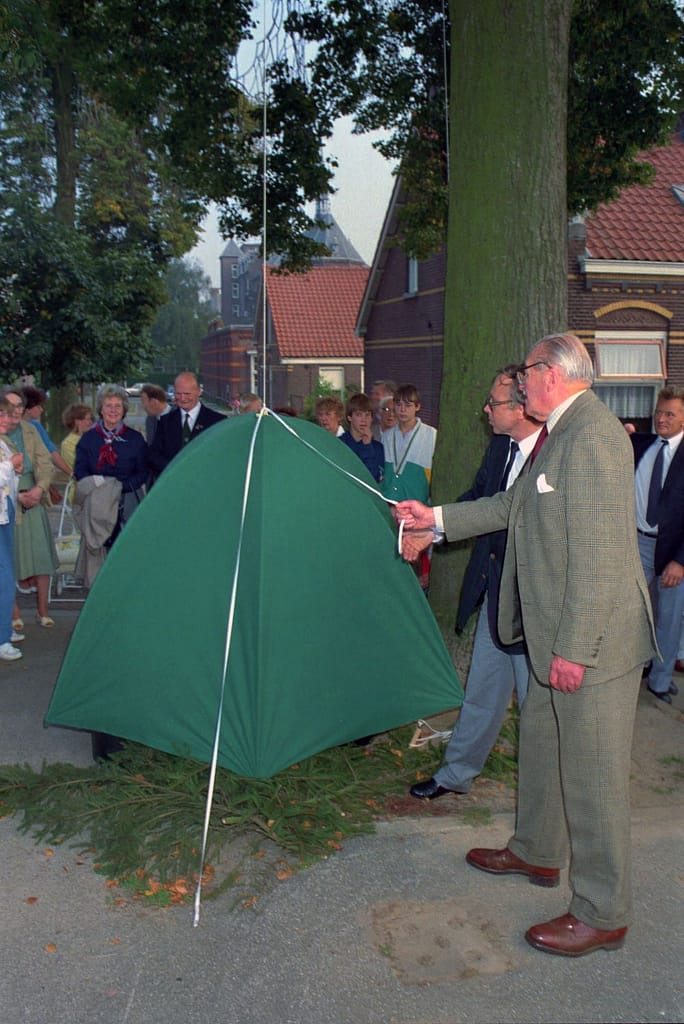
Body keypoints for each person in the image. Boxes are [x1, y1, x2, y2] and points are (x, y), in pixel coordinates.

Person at [396, 333, 656, 958]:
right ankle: (538, 851)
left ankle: (602, 912)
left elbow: (597, 559)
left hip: (587, 642)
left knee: (593, 778)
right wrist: (437, 521)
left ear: (551, 374)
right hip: (545, 632)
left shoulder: (591, 437)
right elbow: (514, 504)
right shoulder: (558, 433)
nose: (518, 386)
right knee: (542, 748)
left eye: (528, 372)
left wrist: (574, 650)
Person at [410, 367, 541, 801]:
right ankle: (455, 775)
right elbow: (477, 501)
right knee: (482, 691)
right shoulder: (500, 447)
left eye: (494, 403)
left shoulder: (554, 453)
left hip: (533, 609)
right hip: (495, 594)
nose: (485, 409)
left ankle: (545, 812)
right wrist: (432, 530)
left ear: (522, 406)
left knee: (538, 711)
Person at [630, 385, 684, 704]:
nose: (661, 419)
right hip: (635, 543)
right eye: (659, 412)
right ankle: (637, 666)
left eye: (670, 414)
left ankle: (660, 682)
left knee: (669, 617)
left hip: (672, 553)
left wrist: (681, 560)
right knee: (633, 612)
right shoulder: (642, 445)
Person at [2, 388, 58, 628]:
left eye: (18, 406)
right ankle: (13, 615)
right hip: (7, 497)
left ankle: (43, 611)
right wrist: (18, 495)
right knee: (9, 558)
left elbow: (45, 462)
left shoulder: (31, 430)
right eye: (9, 406)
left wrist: (40, 488)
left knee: (40, 554)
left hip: (33, 493)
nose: (14, 411)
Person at [74, 384, 148, 546]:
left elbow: (143, 472)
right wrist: (100, 487)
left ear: (124, 410)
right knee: (98, 551)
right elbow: (80, 471)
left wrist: (120, 487)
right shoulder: (88, 439)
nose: (113, 410)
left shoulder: (135, 439)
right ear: (101, 409)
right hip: (97, 502)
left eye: (117, 406)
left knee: (129, 546)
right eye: (108, 406)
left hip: (127, 500)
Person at [382, 384, 437, 591]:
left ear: (418, 407)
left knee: (415, 562)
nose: (402, 409)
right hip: (391, 508)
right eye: (398, 404)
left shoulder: (431, 436)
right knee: (393, 562)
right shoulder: (387, 436)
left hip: (417, 510)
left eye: (408, 405)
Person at [147, 371, 225, 477]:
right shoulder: (165, 422)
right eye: (178, 393)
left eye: (187, 394)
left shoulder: (217, 421)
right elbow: (153, 456)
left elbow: (221, 457)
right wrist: (174, 470)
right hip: (173, 483)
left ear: (199, 391)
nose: (183, 398)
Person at [0, 397, 25, 661]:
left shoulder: (4, 445)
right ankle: (2, 638)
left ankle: (3, 629)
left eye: (8, 414)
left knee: (6, 576)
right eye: (1, 414)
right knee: (5, 578)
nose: (6, 419)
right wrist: (11, 466)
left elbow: (10, 480)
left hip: (4, 515)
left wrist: (14, 470)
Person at [21, 384, 74, 480]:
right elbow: (52, 453)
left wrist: (70, 473)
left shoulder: (36, 426)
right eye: (39, 406)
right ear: (28, 409)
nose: (41, 410)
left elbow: (51, 451)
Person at [339, 393, 384, 483]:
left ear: (372, 418)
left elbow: (374, 479)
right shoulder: (340, 444)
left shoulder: (378, 448)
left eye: (367, 415)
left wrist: (367, 446)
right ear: (349, 417)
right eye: (359, 415)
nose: (364, 420)